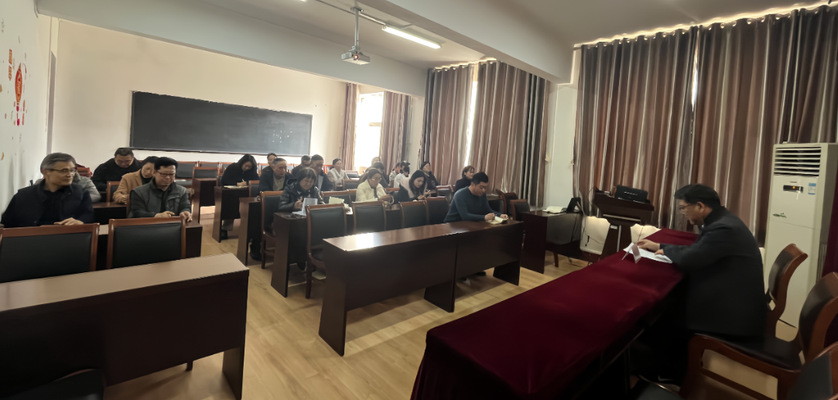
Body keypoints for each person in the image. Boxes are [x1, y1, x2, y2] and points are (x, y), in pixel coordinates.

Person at [634, 184, 765, 383]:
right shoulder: (722, 220)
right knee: (671, 303)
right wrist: (661, 246)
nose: (682, 213)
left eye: (683, 208)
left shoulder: (724, 228)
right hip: (734, 298)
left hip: (734, 316)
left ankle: (670, 374)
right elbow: (700, 249)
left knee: (667, 314)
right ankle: (664, 365)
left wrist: (666, 251)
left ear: (700, 206)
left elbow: (692, 258)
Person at [1, 153, 94, 227]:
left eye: (72, 170)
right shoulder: (23, 196)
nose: (70, 174)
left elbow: (88, 216)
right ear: (45, 171)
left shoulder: (81, 193)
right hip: (29, 241)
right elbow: (8, 223)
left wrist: (80, 222)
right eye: (64, 171)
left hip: (67, 240)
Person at [129, 157, 192, 221]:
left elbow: (185, 206)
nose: (168, 177)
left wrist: (185, 212)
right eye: (164, 174)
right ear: (154, 172)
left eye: (171, 174)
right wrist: (155, 216)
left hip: (173, 224)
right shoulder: (138, 192)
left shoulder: (182, 191)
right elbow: (137, 212)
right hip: (148, 225)